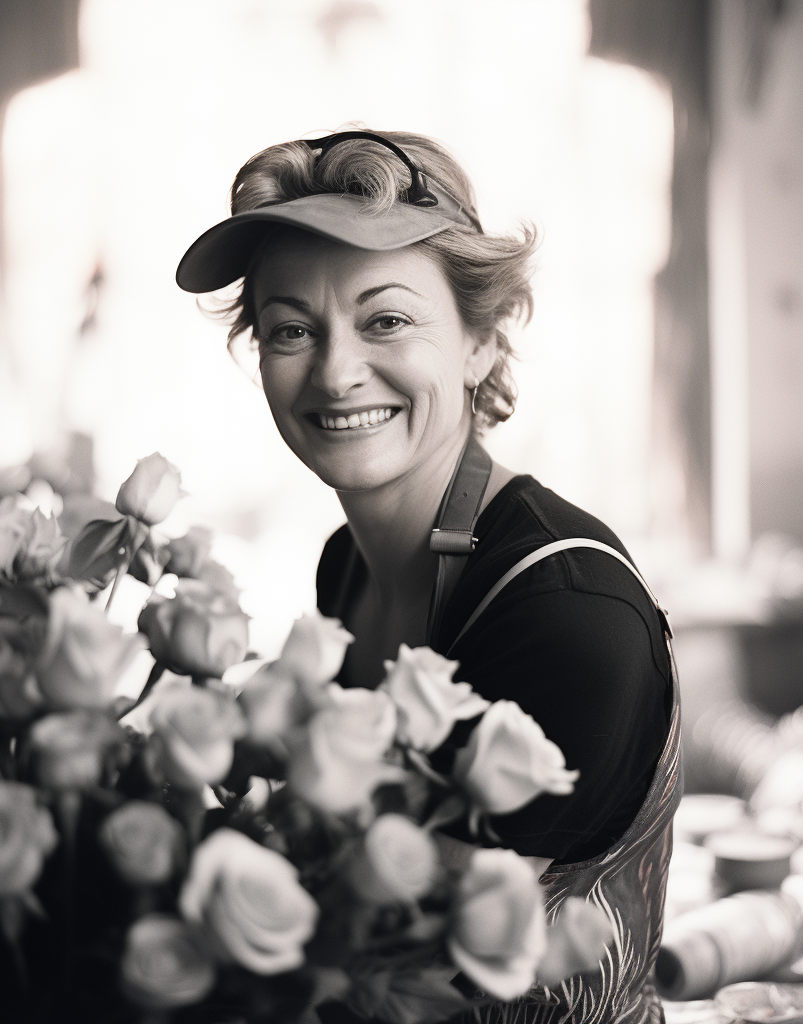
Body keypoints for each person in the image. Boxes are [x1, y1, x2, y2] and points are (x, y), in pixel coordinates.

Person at [176, 130, 681, 1024]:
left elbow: (412, 962)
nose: (335, 373)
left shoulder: (565, 611)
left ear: (483, 342)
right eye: (293, 328)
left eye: (388, 320)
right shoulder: (347, 567)